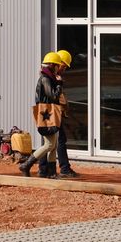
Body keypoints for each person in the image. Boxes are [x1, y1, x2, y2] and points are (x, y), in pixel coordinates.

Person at [19, 52, 64, 177]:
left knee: (53, 145)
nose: (57, 68)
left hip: (48, 113)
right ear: (51, 65)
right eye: (56, 65)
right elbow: (53, 96)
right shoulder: (45, 79)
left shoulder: (48, 77)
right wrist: (59, 85)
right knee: (49, 144)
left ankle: (51, 172)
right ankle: (26, 165)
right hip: (46, 113)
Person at [39, 48, 80, 178]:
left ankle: (45, 168)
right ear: (59, 64)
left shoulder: (52, 77)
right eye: (64, 66)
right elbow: (55, 96)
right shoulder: (51, 78)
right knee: (57, 141)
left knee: (52, 142)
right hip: (52, 112)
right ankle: (63, 168)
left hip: (52, 112)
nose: (64, 69)